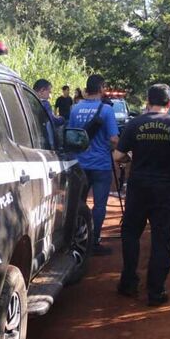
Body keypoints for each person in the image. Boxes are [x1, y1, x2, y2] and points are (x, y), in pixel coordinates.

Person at [113, 84, 170, 306]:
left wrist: (131, 161)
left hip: (138, 188)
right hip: (166, 190)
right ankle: (156, 292)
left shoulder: (134, 124)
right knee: (162, 238)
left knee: (131, 233)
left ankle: (128, 283)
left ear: (147, 102)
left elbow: (118, 155)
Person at [68, 74, 119, 253]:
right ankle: (95, 241)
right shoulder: (106, 110)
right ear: (101, 88)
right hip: (101, 164)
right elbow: (114, 139)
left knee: (79, 203)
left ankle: (77, 239)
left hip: (80, 164)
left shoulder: (75, 109)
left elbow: (71, 135)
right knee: (99, 205)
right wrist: (114, 149)